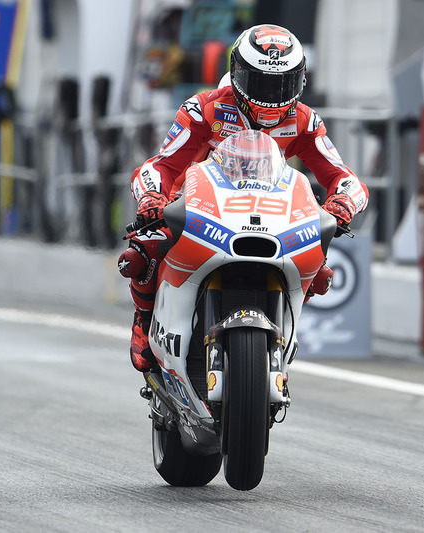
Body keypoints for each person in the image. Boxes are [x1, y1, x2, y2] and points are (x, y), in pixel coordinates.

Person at [118, 24, 369, 372]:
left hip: (272, 209)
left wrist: (341, 205)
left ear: (301, 81)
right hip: (196, 204)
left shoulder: (306, 121)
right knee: (145, 246)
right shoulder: (202, 109)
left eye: (284, 83)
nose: (273, 94)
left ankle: (282, 330)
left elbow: (346, 178)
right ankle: (143, 324)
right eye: (261, 82)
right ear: (236, 74)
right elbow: (159, 165)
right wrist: (151, 200)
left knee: (320, 270)